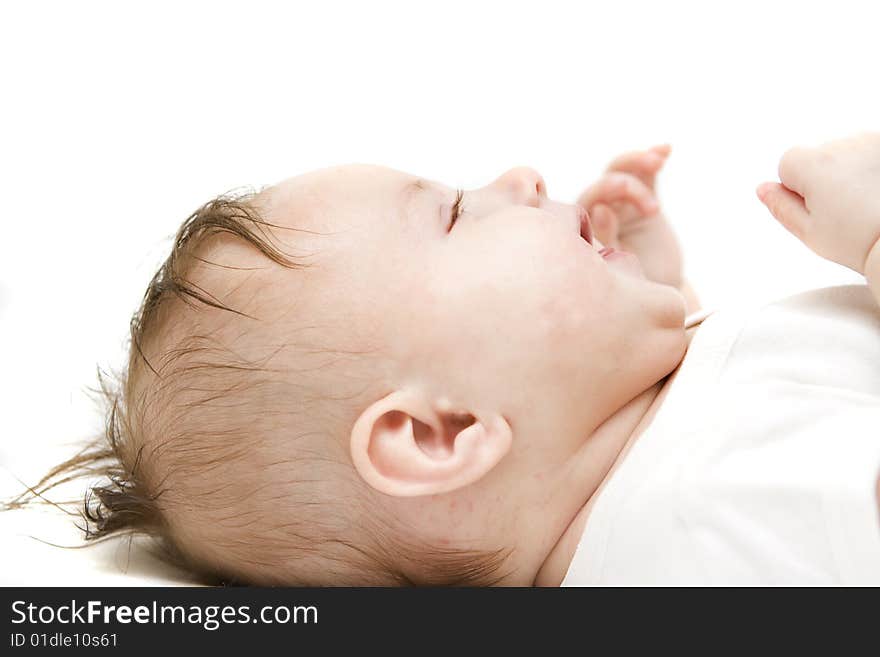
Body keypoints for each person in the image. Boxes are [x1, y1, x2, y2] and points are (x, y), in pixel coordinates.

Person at [12, 134, 880, 585]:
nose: (523, 175)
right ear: (441, 431)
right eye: (460, 216)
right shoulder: (722, 503)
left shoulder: (658, 471)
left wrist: (654, 284)